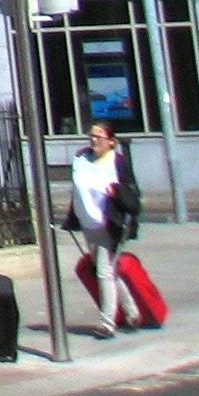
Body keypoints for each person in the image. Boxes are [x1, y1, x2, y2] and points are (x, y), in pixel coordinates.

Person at [65, 120, 143, 339]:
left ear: (111, 142)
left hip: (111, 224)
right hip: (88, 223)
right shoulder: (81, 159)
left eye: (99, 137)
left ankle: (107, 323)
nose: (93, 141)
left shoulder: (117, 162)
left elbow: (133, 196)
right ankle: (132, 313)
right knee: (108, 271)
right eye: (91, 136)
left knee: (103, 272)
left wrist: (116, 192)